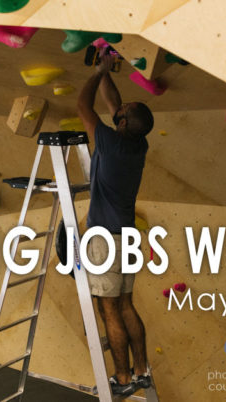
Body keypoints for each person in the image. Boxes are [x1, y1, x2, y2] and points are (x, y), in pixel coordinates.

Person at [77, 50, 154, 397]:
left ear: (121, 123)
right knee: (126, 305)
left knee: (109, 308)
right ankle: (141, 370)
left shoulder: (109, 143)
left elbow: (84, 106)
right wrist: (106, 69)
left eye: (121, 114)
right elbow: (114, 106)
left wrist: (95, 75)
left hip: (104, 241)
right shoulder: (137, 145)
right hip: (127, 239)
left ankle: (122, 379)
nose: (118, 111)